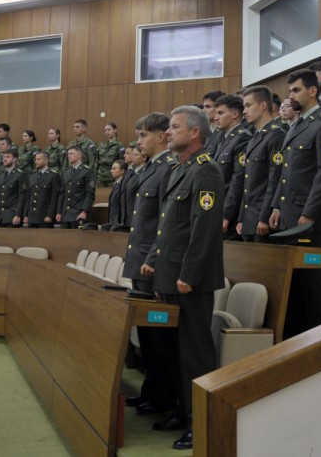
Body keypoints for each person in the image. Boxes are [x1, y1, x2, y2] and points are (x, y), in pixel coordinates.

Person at [141, 105, 224, 451]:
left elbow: (203, 230)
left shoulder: (206, 171)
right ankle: (181, 409)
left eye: (175, 127)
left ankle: (200, 421)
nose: (168, 132)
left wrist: (188, 274)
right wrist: (152, 261)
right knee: (173, 352)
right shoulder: (181, 169)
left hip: (190, 280)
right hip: (169, 274)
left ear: (195, 133)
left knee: (194, 353)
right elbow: (168, 225)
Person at [270, 68, 321, 337]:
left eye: (296, 90)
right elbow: (286, 173)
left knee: (315, 289)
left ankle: (320, 344)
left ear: (313, 91)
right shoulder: (298, 125)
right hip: (290, 217)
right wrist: (277, 206)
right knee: (296, 289)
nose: (290, 96)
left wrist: (310, 214)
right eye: (289, 91)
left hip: (311, 222)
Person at [122, 113, 178, 418]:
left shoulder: (168, 168)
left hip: (151, 264)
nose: (139, 140)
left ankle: (165, 397)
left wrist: (153, 258)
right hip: (140, 258)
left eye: (143, 135)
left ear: (161, 136)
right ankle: (152, 391)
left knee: (159, 340)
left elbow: (165, 221)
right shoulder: (150, 169)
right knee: (146, 336)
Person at [236, 86, 286, 243]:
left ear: (263, 106)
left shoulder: (276, 135)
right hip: (249, 219)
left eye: (248, 105)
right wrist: (241, 218)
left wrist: (264, 217)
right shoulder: (254, 139)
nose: (244, 111)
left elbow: (275, 180)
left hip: (262, 220)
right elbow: (247, 183)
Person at [212, 94, 251, 240]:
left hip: (230, 217)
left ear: (234, 114)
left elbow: (238, 180)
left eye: (220, 113)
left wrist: (227, 215)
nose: (216, 117)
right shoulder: (223, 139)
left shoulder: (242, 138)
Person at [56, 146, 96, 228]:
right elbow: (62, 194)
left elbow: (90, 194)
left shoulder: (87, 171)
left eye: (71, 153)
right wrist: (59, 212)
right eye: (68, 154)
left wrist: (85, 211)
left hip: (79, 213)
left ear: (79, 155)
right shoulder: (66, 172)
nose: (69, 156)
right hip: (65, 213)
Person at [0, 148, 27, 227]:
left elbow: (22, 197)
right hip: (0, 216)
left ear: (14, 159)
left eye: (8, 157)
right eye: (4, 157)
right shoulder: (0, 175)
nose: (5, 159)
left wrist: (18, 215)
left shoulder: (20, 175)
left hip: (12, 215)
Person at [23, 151, 60, 228]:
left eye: (39, 159)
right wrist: (26, 215)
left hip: (44, 216)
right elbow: (29, 197)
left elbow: (54, 198)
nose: (36, 161)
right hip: (32, 216)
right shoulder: (32, 176)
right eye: (35, 159)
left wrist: (50, 215)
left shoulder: (53, 176)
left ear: (46, 161)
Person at [122, 147, 147, 230]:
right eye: (132, 154)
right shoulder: (132, 172)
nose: (132, 157)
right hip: (128, 215)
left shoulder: (144, 173)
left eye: (136, 155)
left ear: (144, 157)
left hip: (137, 216)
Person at [97, 122, 125, 187]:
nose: (107, 132)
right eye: (105, 130)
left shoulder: (120, 145)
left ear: (115, 130)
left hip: (113, 177)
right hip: (101, 176)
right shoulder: (101, 145)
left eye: (109, 130)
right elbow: (96, 161)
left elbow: (122, 162)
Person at [202, 90, 226, 157]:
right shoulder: (206, 132)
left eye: (208, 107)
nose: (203, 110)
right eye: (203, 107)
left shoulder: (223, 132)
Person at [106, 160, 127, 228]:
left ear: (122, 171)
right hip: (112, 222)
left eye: (114, 169)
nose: (111, 171)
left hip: (118, 223)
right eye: (112, 168)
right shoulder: (116, 184)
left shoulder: (124, 185)